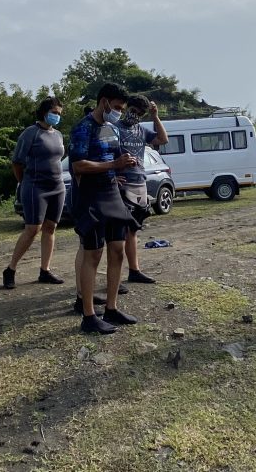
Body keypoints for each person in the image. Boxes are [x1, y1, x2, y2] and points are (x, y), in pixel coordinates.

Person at [69, 83, 140, 334]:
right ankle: (88, 316)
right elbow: (78, 165)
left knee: (118, 250)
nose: (119, 112)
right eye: (117, 107)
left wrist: (127, 161)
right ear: (104, 102)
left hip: (112, 193)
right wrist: (112, 166)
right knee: (93, 254)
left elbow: (115, 155)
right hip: (90, 196)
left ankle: (111, 307)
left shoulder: (112, 128)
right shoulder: (83, 128)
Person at [3, 97, 67, 289]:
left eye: (59, 114)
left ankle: (45, 270)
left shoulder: (58, 135)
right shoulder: (30, 133)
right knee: (32, 228)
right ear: (45, 112)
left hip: (57, 186)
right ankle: (11, 269)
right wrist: (24, 182)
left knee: (50, 228)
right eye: (54, 112)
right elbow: (17, 162)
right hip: (35, 186)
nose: (57, 116)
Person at [114, 94, 168, 284]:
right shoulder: (114, 128)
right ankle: (115, 277)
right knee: (117, 234)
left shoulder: (141, 130)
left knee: (133, 231)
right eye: (134, 111)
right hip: (122, 185)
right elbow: (102, 152)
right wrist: (112, 174)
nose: (135, 115)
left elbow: (162, 139)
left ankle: (134, 270)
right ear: (127, 107)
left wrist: (155, 117)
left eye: (140, 113)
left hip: (140, 183)